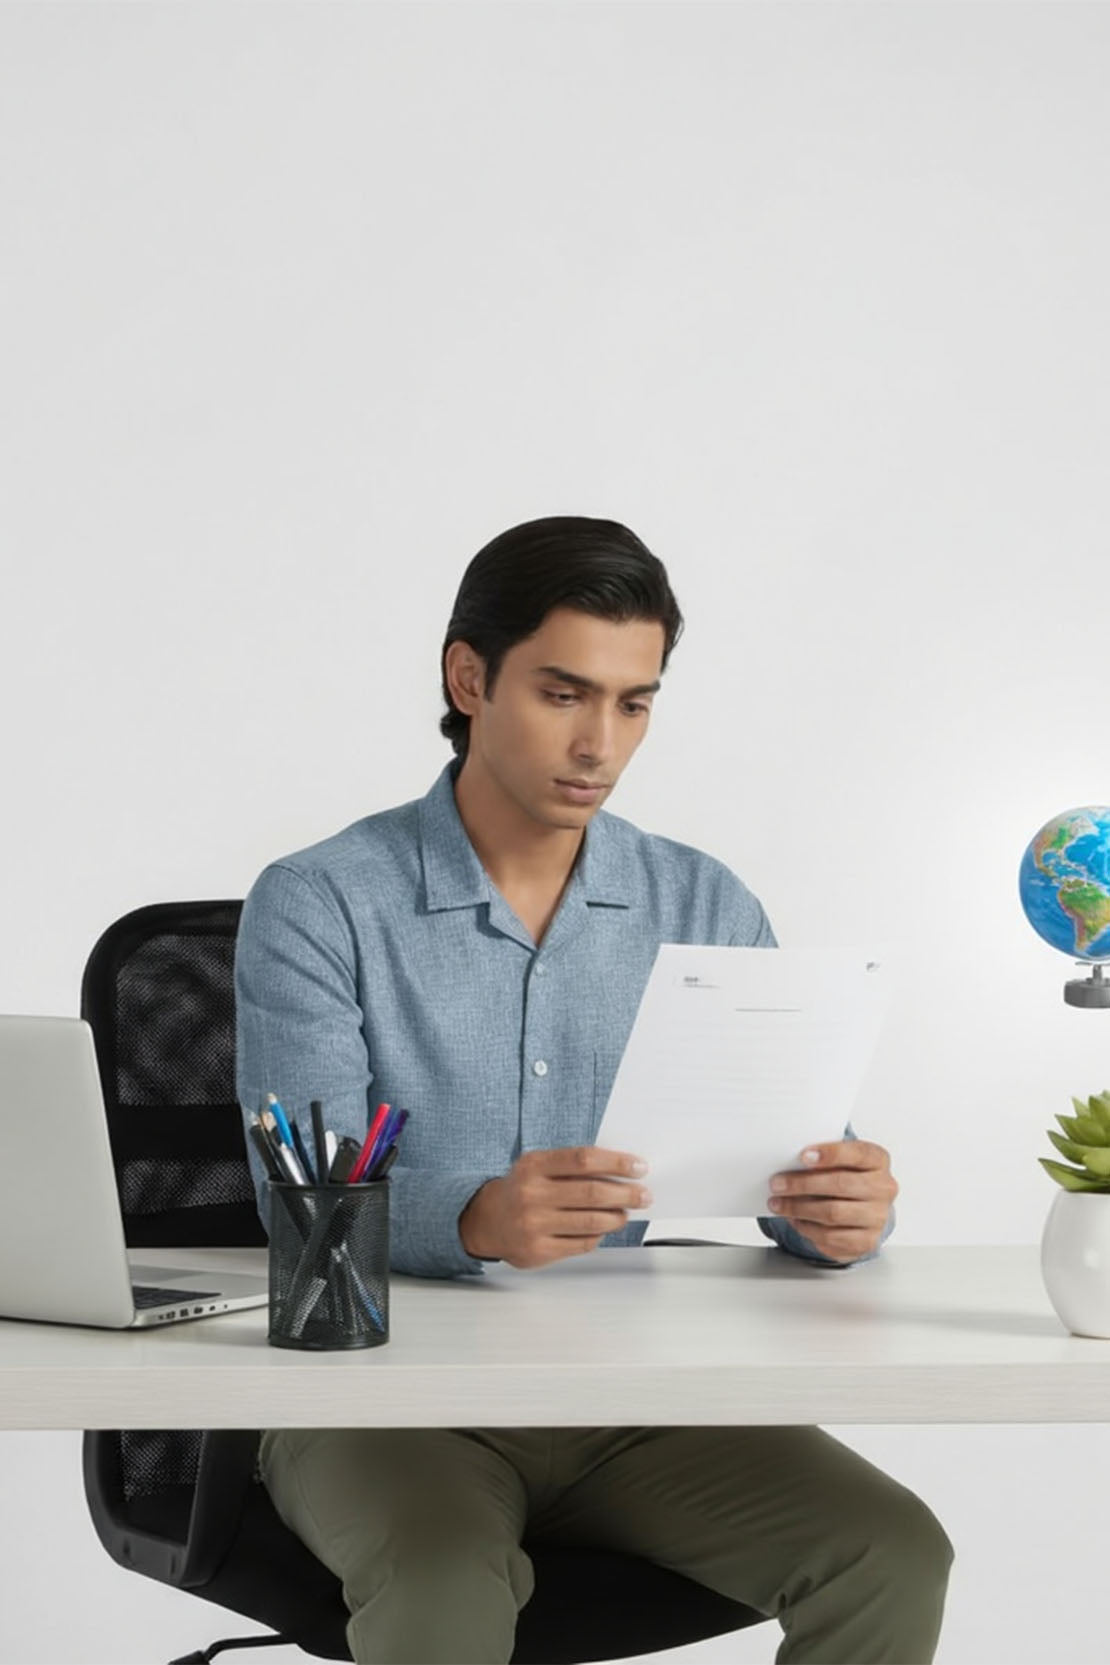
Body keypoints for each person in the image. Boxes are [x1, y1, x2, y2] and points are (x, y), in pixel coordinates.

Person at [235, 515, 952, 1665]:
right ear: (469, 678)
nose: (600, 744)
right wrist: (473, 1218)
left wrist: (839, 1212)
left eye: (635, 702)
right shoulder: (322, 902)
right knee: (440, 1590)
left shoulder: (702, 902)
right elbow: (299, 1197)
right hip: (384, 1403)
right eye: (563, 693)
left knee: (892, 1554)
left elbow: (793, 1150)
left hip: (645, 1407)